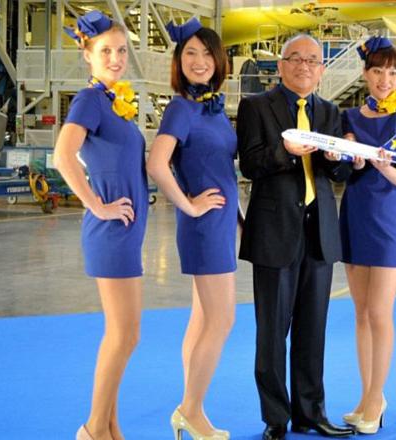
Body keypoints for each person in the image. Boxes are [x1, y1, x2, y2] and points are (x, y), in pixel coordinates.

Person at [237, 34, 354, 440]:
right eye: (296, 59)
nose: (305, 66)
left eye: (312, 61)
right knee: (272, 333)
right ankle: (276, 418)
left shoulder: (330, 111)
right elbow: (250, 164)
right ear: (282, 65)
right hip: (275, 232)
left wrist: (338, 161)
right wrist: (288, 151)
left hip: (319, 232)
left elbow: (338, 174)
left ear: (321, 70)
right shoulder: (255, 106)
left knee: (312, 329)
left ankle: (311, 412)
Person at [54, 11, 148, 440]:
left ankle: (111, 427)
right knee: (124, 334)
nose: (115, 58)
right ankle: (93, 429)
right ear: (87, 55)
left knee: (125, 334)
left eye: (121, 50)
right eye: (106, 51)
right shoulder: (89, 100)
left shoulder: (114, 101)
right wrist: (96, 205)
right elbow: (63, 156)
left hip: (127, 232)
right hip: (111, 232)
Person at [146, 17, 236, 440]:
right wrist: (188, 204)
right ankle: (191, 411)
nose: (199, 61)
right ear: (178, 61)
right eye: (190, 53)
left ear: (219, 60)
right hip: (204, 225)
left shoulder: (211, 107)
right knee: (222, 319)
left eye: (206, 53)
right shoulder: (181, 107)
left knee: (202, 318)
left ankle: (190, 405)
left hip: (221, 222)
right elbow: (156, 163)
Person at [339, 36, 396, 435]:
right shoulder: (348, 118)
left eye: (392, 72)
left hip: (391, 221)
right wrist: (353, 159)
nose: (384, 80)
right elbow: (344, 169)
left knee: (379, 311)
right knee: (360, 313)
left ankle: (377, 397)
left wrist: (379, 163)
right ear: (365, 73)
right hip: (355, 217)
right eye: (377, 71)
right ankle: (366, 396)